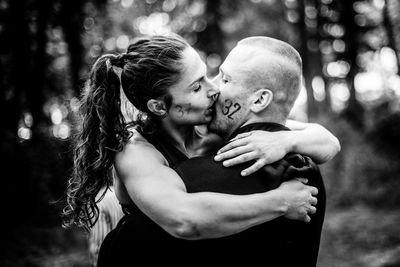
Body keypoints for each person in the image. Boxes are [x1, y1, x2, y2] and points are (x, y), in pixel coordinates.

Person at [61, 34, 339, 264]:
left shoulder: (215, 123)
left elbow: (326, 141)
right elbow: (184, 219)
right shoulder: (136, 149)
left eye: (210, 76)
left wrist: (285, 141)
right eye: (197, 87)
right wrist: (281, 202)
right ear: (159, 106)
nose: (214, 89)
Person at [171, 36, 326, 266]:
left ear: (260, 99)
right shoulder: (309, 171)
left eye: (225, 79)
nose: (213, 88)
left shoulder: (189, 180)